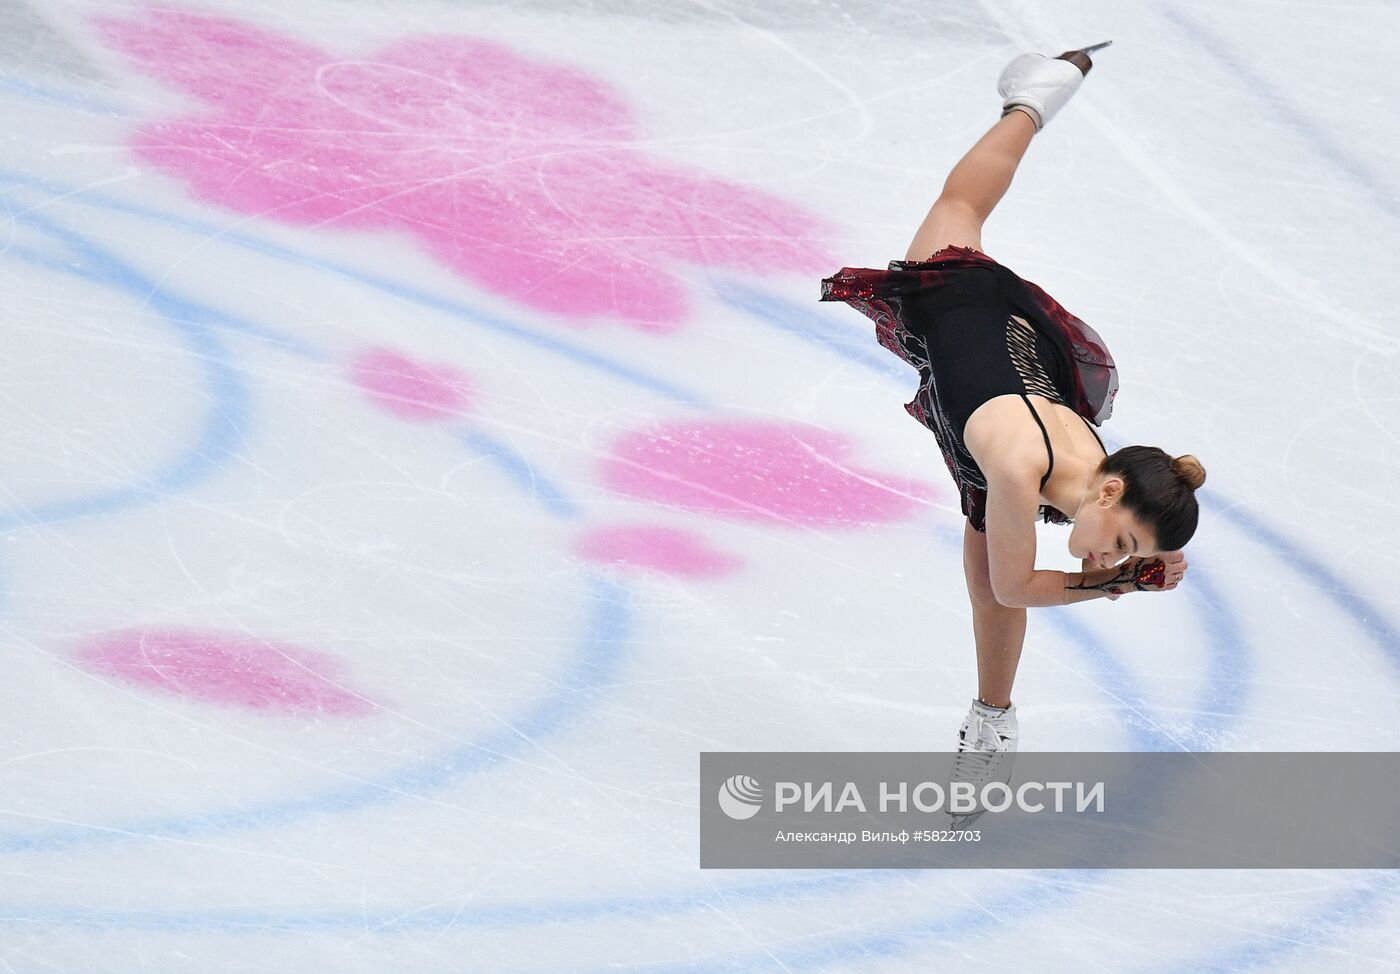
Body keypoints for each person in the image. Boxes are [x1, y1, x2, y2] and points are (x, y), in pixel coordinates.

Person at [819, 43, 1205, 764]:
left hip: (1022, 355)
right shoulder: (1023, 471)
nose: (1104, 554)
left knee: (991, 580)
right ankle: (1034, 99)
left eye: (1120, 550)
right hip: (960, 302)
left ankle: (992, 719)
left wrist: (1125, 570)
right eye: (1121, 539)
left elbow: (1031, 575)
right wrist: (1119, 580)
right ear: (1110, 490)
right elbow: (1018, 584)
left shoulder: (1097, 471)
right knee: (958, 206)